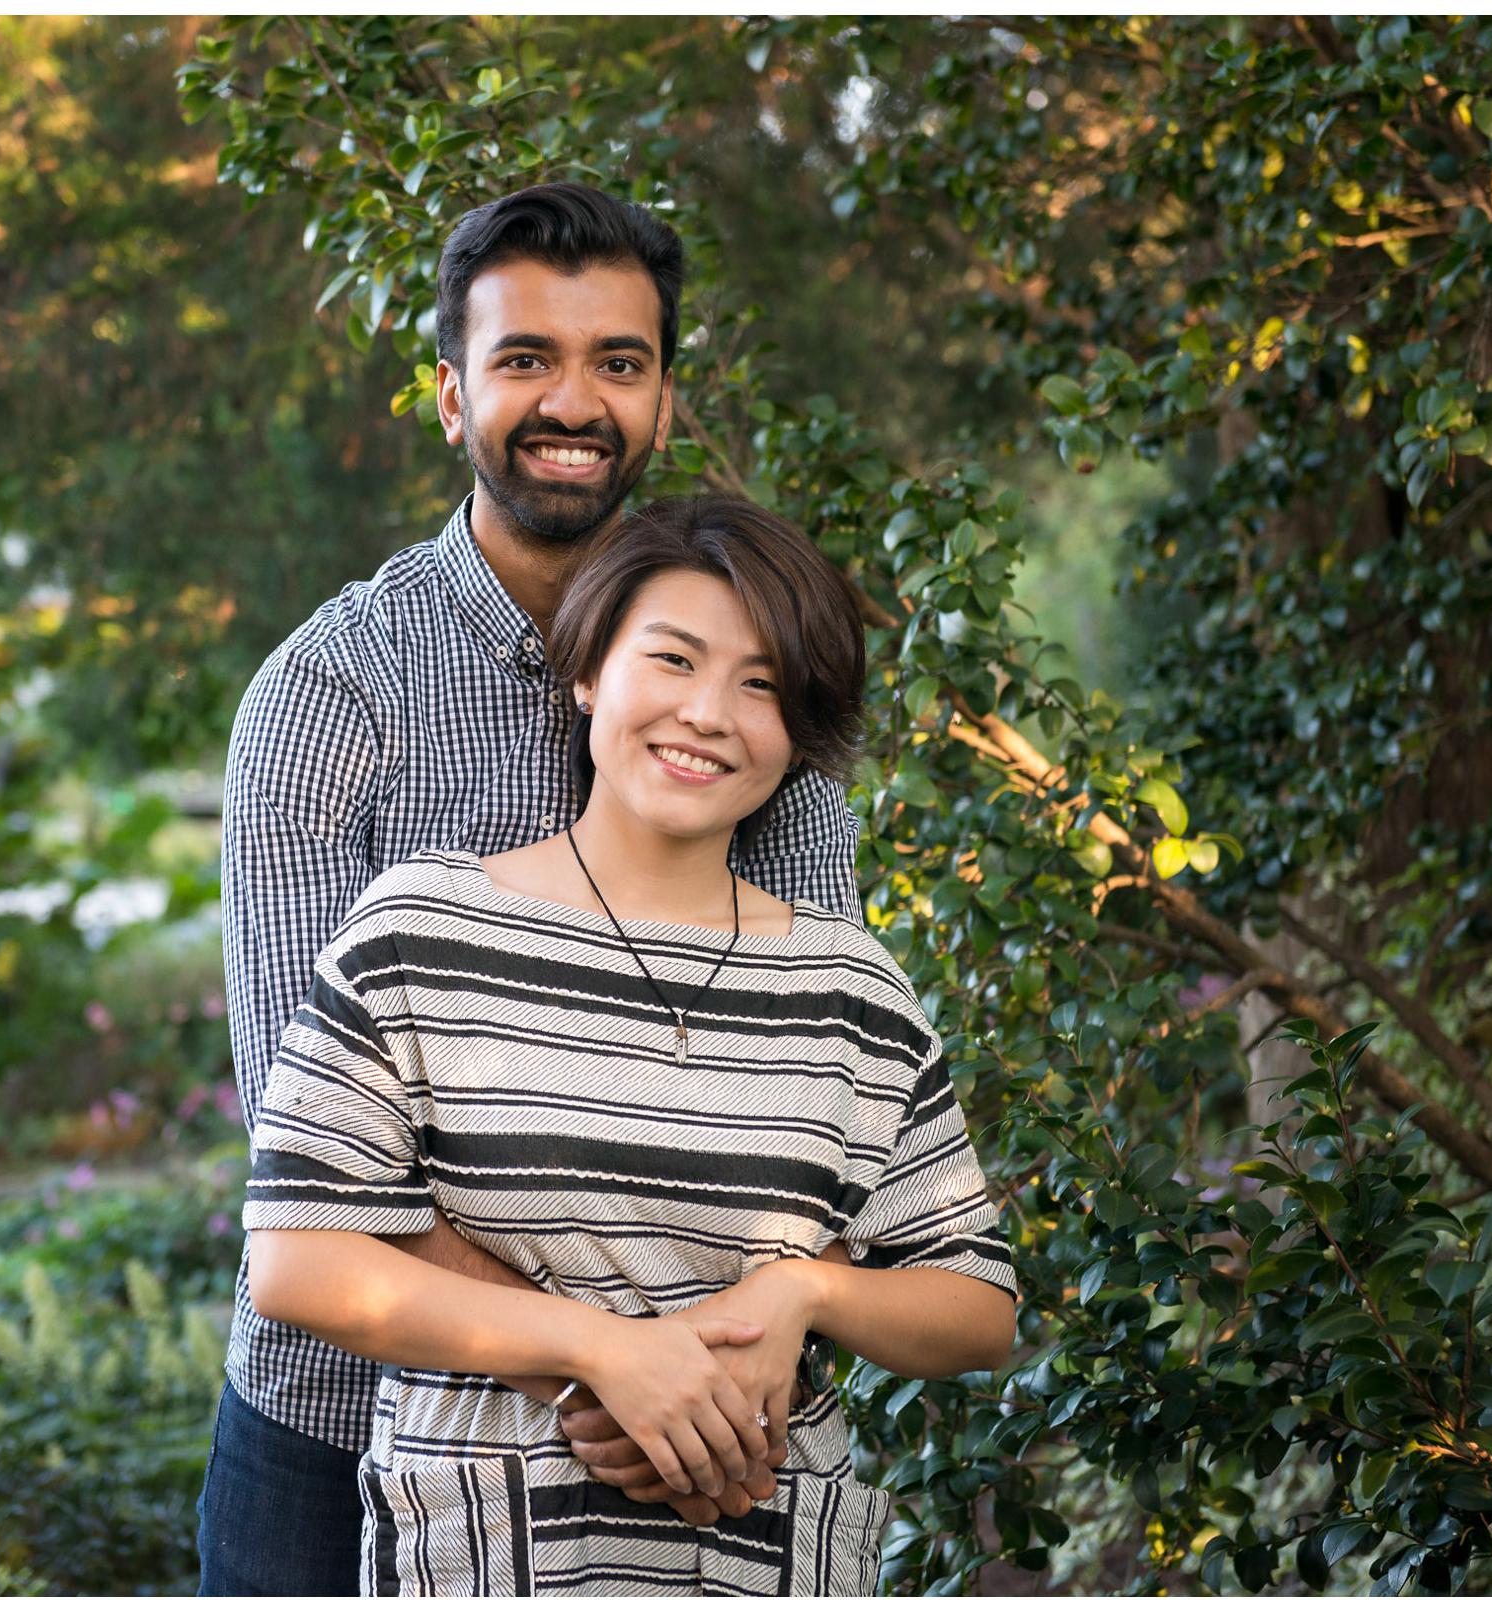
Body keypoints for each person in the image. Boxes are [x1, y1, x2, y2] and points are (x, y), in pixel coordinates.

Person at [198, 183, 863, 1595]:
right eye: (525, 361)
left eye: (617, 363)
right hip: (344, 1429)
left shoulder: (753, 705)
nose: (575, 400)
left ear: (666, 401)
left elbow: (823, 1111)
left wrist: (691, 1369)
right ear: (451, 396)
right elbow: (308, 1146)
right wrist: (597, 1372)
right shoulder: (330, 698)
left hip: (698, 1448)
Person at [245, 494, 1019, 1595]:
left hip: (764, 1560)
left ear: (798, 733)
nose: (710, 713)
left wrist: (806, 1292)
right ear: (588, 671)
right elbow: (299, 1257)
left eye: (762, 685)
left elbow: (977, 1302)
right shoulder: (419, 933)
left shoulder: (853, 990)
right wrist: (602, 1354)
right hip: (491, 1561)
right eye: (675, 660)